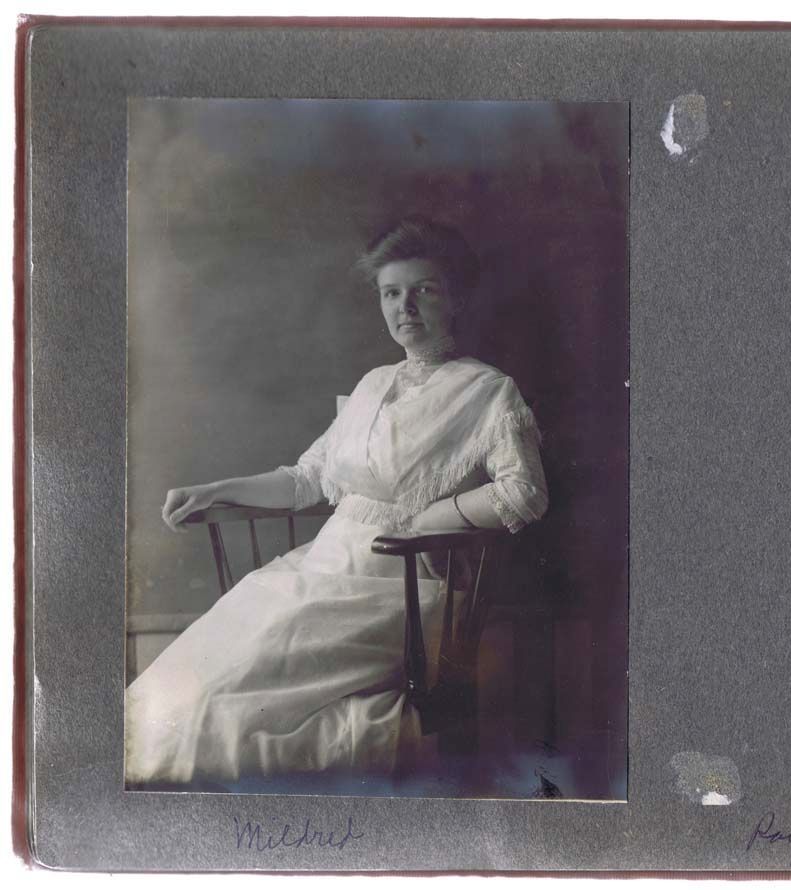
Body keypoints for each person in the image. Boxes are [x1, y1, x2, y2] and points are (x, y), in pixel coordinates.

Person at [124, 217, 549, 787]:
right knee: (192, 684)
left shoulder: (486, 389)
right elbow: (307, 479)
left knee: (226, 695)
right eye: (391, 293)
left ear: (457, 298)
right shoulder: (373, 384)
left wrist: (434, 517)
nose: (405, 308)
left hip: (399, 586)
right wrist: (214, 490)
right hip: (322, 570)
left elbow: (524, 491)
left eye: (424, 290)